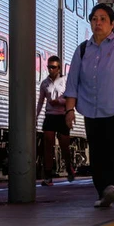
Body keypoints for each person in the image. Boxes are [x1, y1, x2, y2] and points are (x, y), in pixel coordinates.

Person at [64, 3, 114, 208]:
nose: (97, 23)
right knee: (96, 153)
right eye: (94, 19)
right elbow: (72, 83)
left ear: (112, 23)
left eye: (102, 19)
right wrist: (69, 110)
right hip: (90, 109)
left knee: (113, 151)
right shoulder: (82, 49)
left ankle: (110, 188)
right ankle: (103, 192)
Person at [36, 55, 74, 186]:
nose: (51, 69)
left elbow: (70, 98)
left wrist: (59, 101)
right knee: (48, 144)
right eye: (49, 67)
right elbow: (41, 101)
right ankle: (47, 175)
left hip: (62, 116)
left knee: (64, 145)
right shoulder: (44, 83)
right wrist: (36, 116)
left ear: (59, 68)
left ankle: (69, 166)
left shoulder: (65, 81)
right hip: (50, 115)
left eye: (53, 67)